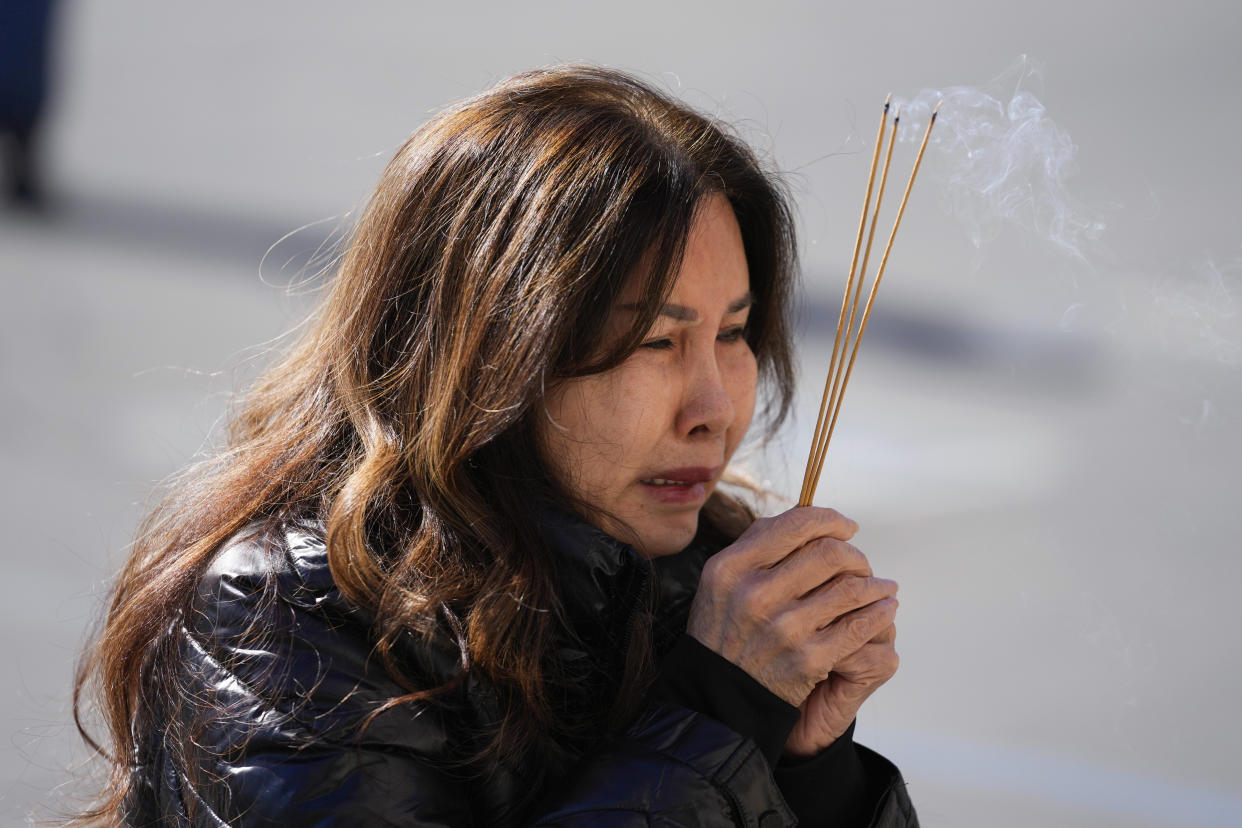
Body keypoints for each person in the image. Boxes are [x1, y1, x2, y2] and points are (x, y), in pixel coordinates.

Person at [73, 65, 917, 827]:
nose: (714, 410)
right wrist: (718, 715)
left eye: (734, 334)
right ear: (492, 358)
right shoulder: (292, 619)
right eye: (657, 343)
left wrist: (813, 770)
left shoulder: (696, 580)